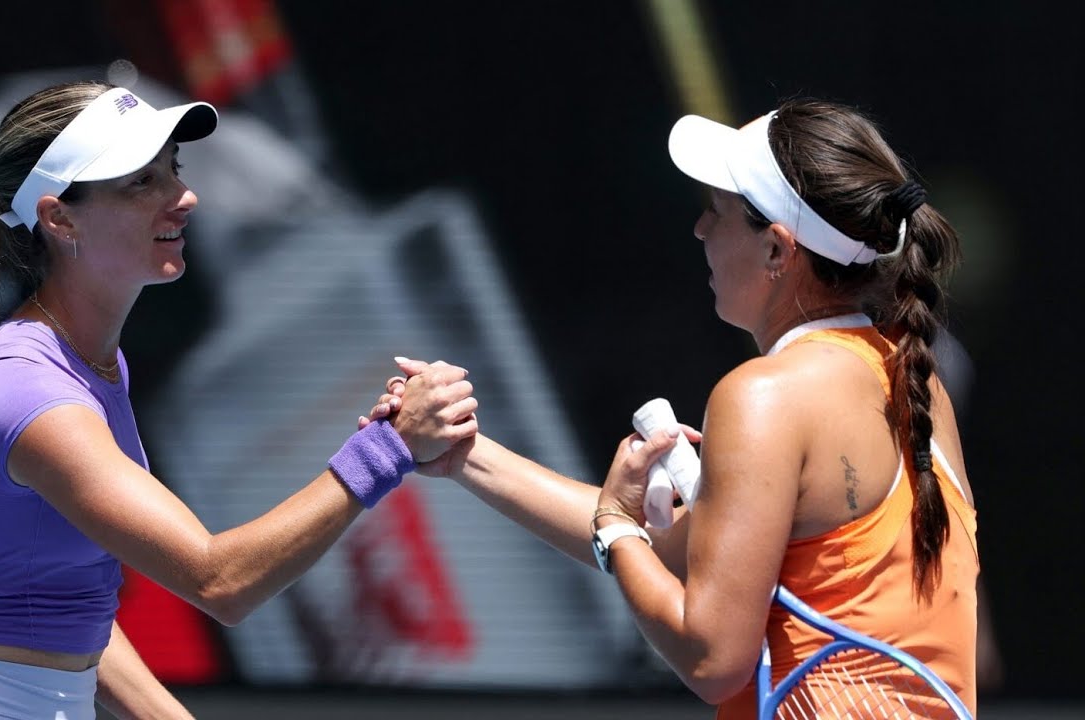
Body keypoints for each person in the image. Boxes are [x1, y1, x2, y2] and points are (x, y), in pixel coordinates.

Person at [0, 80, 479, 720]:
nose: (184, 198)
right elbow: (219, 580)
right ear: (60, 219)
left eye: (174, 172)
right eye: (141, 183)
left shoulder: (92, 366)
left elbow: (66, 608)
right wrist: (387, 448)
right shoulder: (25, 386)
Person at [371, 97, 978, 717]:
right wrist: (461, 453)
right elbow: (661, 550)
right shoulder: (914, 381)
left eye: (717, 211)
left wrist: (615, 527)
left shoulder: (764, 397)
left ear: (776, 249)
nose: (700, 230)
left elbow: (711, 657)